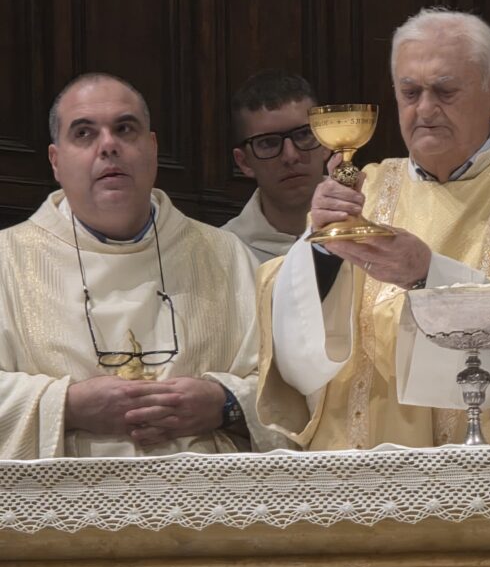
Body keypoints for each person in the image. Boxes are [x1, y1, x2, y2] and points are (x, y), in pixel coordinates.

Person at [256, 8, 490, 449]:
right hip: (357, 459)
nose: (425, 109)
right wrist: (322, 252)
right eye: (410, 93)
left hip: (481, 462)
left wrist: (428, 276)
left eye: (445, 91)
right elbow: (296, 342)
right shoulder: (367, 186)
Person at [0, 72, 287, 459]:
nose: (108, 146)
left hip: (203, 492)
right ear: (56, 161)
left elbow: (292, 390)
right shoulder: (7, 260)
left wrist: (226, 404)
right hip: (66, 494)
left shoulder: (225, 255)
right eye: (84, 133)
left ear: (152, 148)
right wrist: (66, 406)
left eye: (125, 129)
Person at [223, 69, 328, 263]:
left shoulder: (370, 227)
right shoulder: (223, 253)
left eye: (304, 134)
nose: (290, 156)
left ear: (326, 141)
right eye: (268, 143)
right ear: (244, 162)